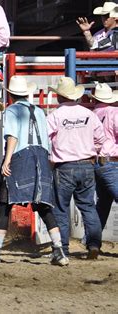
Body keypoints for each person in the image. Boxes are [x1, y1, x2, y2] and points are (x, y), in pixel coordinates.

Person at [0, 76, 69, 266]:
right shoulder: (40, 112)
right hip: (41, 157)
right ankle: (59, 250)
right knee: (42, 205)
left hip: (20, 156)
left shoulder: (12, 111)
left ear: (10, 94)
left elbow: (12, 136)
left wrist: (7, 160)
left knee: (5, 204)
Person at [47, 77, 106, 259]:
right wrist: (90, 152)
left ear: (59, 96)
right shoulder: (89, 114)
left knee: (61, 208)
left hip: (64, 166)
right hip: (87, 164)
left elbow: (45, 138)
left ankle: (63, 248)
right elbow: (101, 139)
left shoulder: (55, 115)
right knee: (88, 206)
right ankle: (94, 245)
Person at [90, 83, 118, 231]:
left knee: (103, 203)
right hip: (111, 161)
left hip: (95, 161)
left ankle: (92, 242)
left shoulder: (92, 114)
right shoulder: (114, 112)